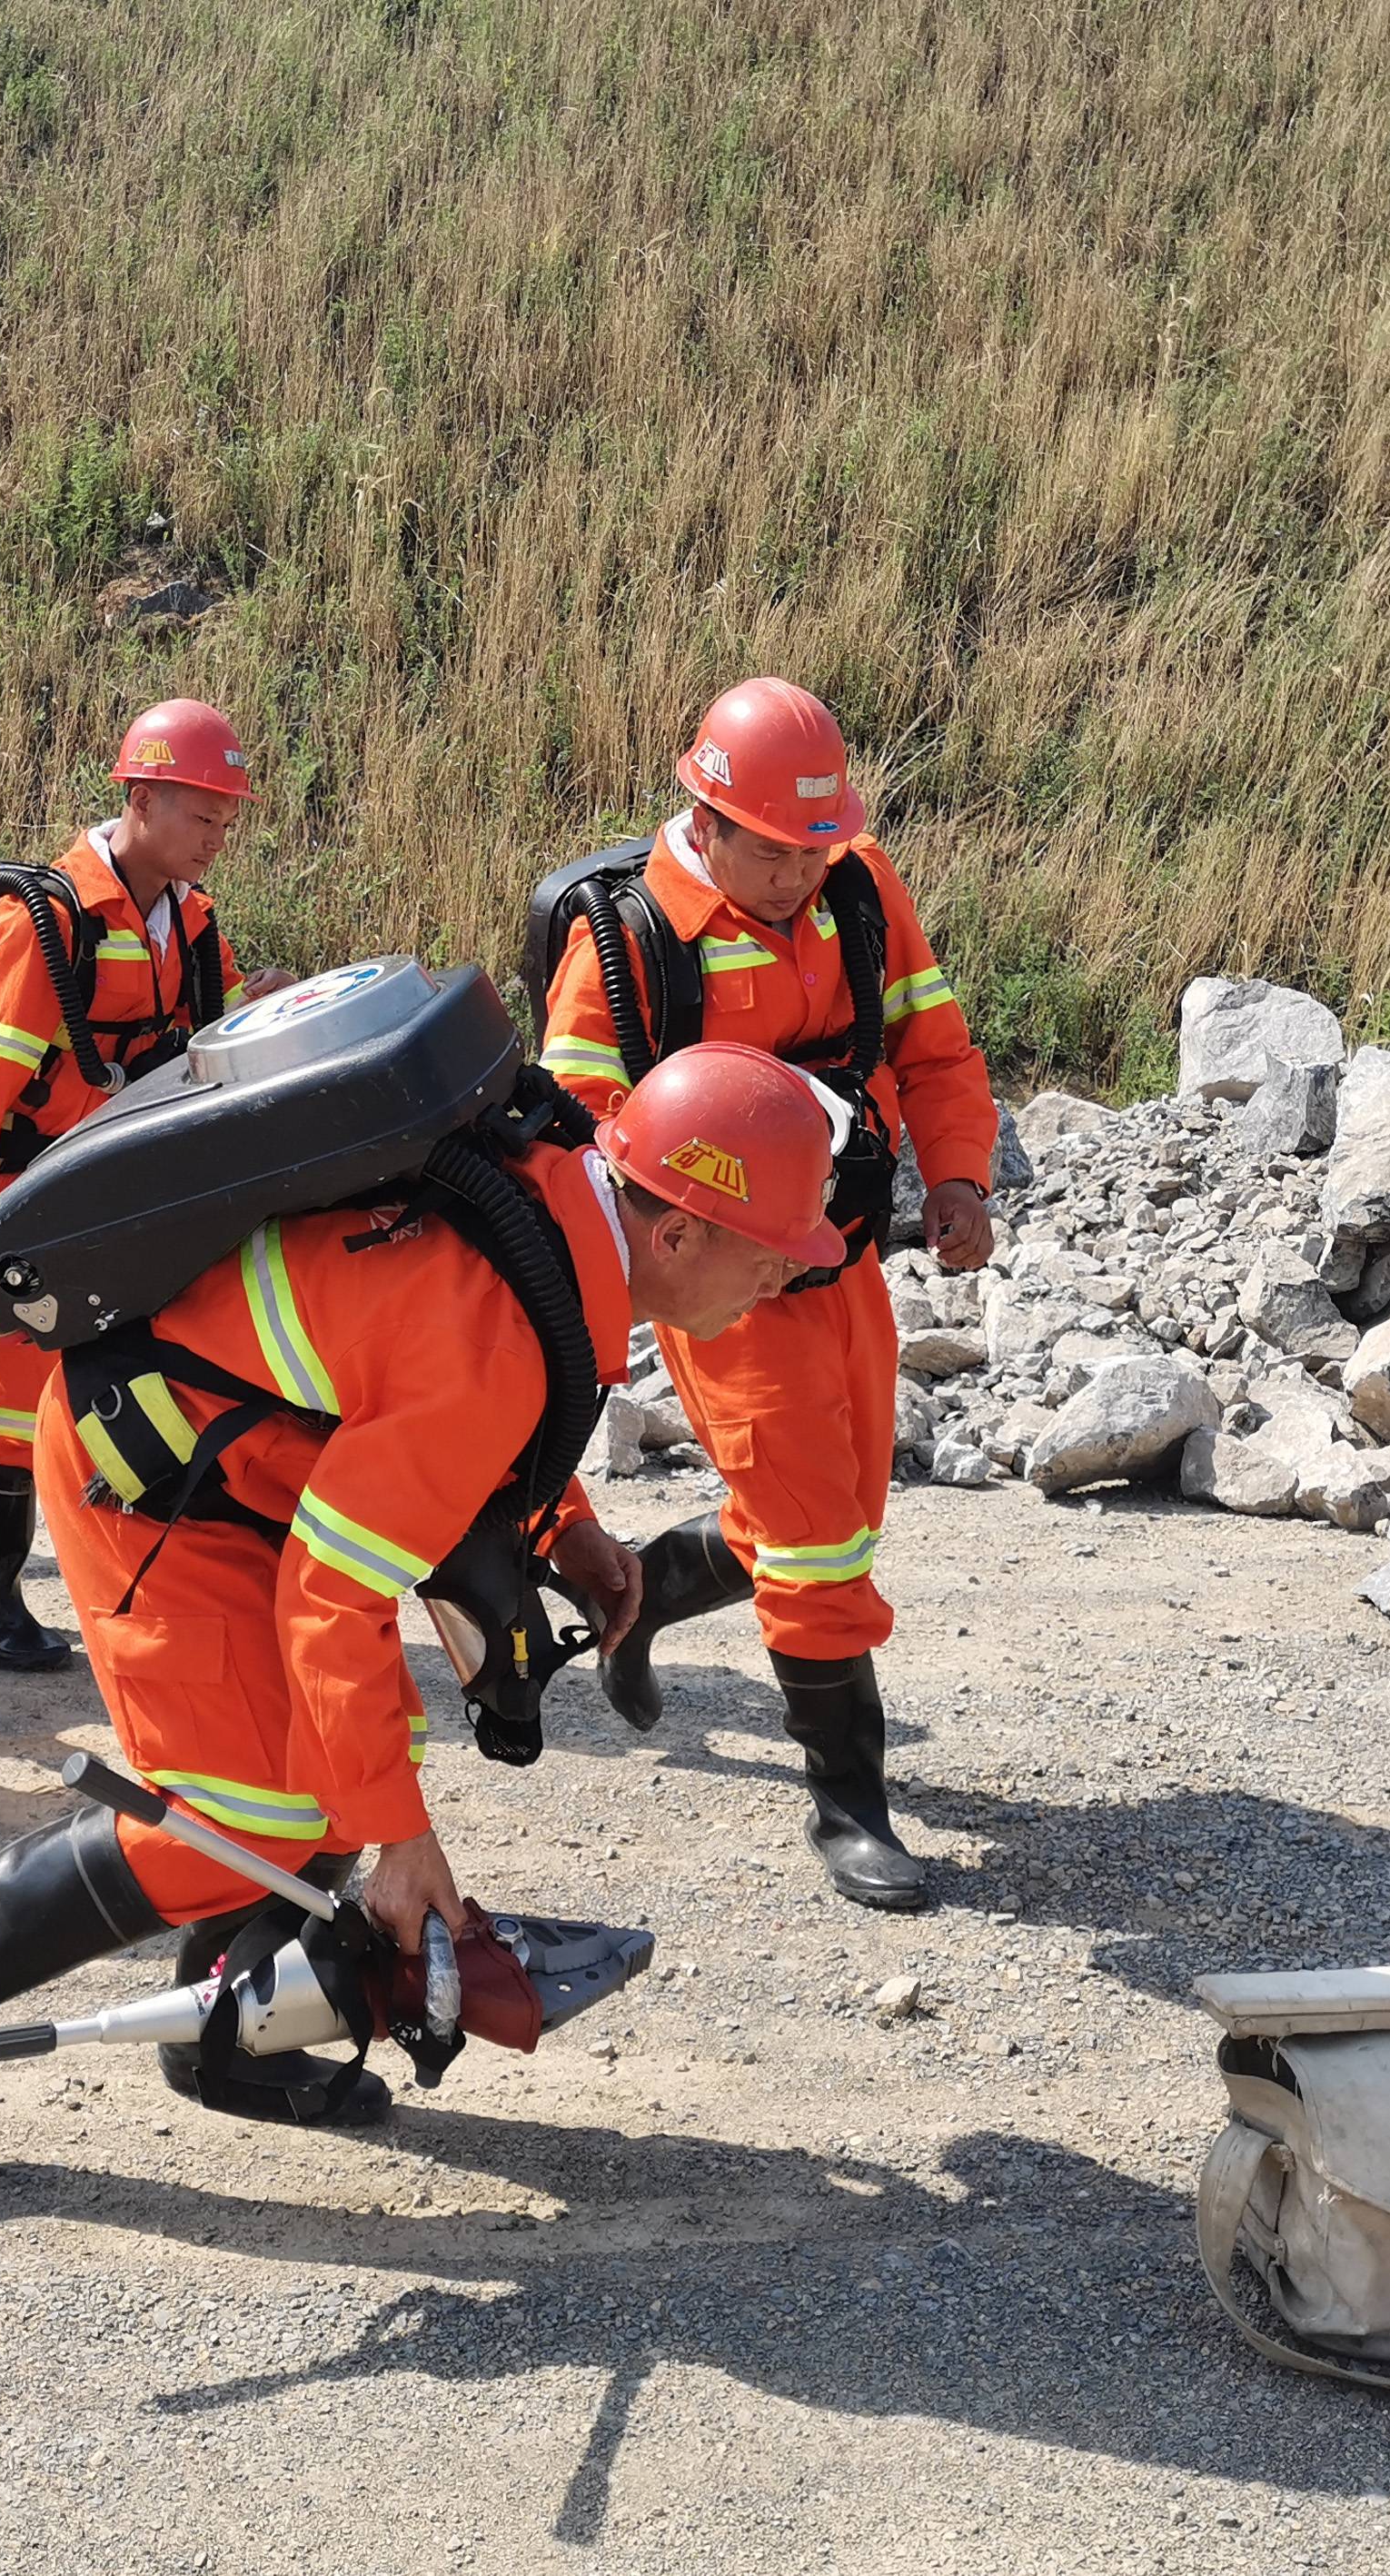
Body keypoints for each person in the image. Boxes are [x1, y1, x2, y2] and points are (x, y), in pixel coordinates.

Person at [0, 1040, 842, 2183]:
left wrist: (564, 1527)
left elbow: (441, 1394)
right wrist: (404, 1839)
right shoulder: (496, 1331)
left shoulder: (558, 1204)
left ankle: (228, 2042)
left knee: (339, 1762)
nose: (785, 1282)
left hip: (240, 1467)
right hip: (153, 1482)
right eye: (772, 1260)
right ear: (676, 1233)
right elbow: (341, 1587)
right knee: (248, 1813)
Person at [534, 677, 1004, 1912]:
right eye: (779, 849)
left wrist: (954, 1179)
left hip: (843, 1255)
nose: (804, 870)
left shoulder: (860, 885)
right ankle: (851, 1804)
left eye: (819, 843)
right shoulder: (627, 943)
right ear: (707, 812)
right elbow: (572, 1140)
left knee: (836, 1512)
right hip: (724, 1290)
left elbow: (936, 1049)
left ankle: (638, 1592)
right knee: (811, 1535)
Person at [0, 699, 283, 1673]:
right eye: (202, 818)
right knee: (13, 1399)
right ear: (141, 797)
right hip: (21, 1199)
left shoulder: (185, 924)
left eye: (227, 824)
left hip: (108, 1197)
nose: (215, 841)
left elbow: (200, 1043)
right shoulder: (46, 919)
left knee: (81, 1384)